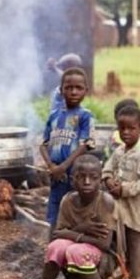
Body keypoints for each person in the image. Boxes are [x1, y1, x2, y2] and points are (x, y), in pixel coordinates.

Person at [26, 154, 121, 279]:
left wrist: (72, 234)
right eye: (81, 177)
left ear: (100, 180)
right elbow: (56, 235)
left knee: (74, 250)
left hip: (104, 260)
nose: (86, 182)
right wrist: (82, 229)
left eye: (93, 178)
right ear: (72, 180)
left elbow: (104, 244)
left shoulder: (104, 201)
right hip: (76, 257)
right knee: (55, 248)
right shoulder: (68, 201)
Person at [103, 106, 140, 279]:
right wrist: (109, 181)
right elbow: (107, 168)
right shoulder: (119, 151)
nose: (126, 132)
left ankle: (135, 278)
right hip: (122, 206)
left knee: (134, 241)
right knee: (121, 239)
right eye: (122, 128)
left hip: (137, 207)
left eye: (131, 128)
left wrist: (123, 189)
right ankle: (126, 270)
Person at [40, 67, 96, 231]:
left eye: (78, 88)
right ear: (61, 90)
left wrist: (63, 167)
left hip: (75, 176)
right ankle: (53, 251)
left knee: (75, 212)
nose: (73, 92)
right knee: (54, 214)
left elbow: (85, 145)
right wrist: (51, 166)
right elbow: (43, 144)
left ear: (86, 90)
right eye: (69, 88)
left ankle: (74, 252)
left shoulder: (85, 116)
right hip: (56, 176)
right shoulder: (54, 115)